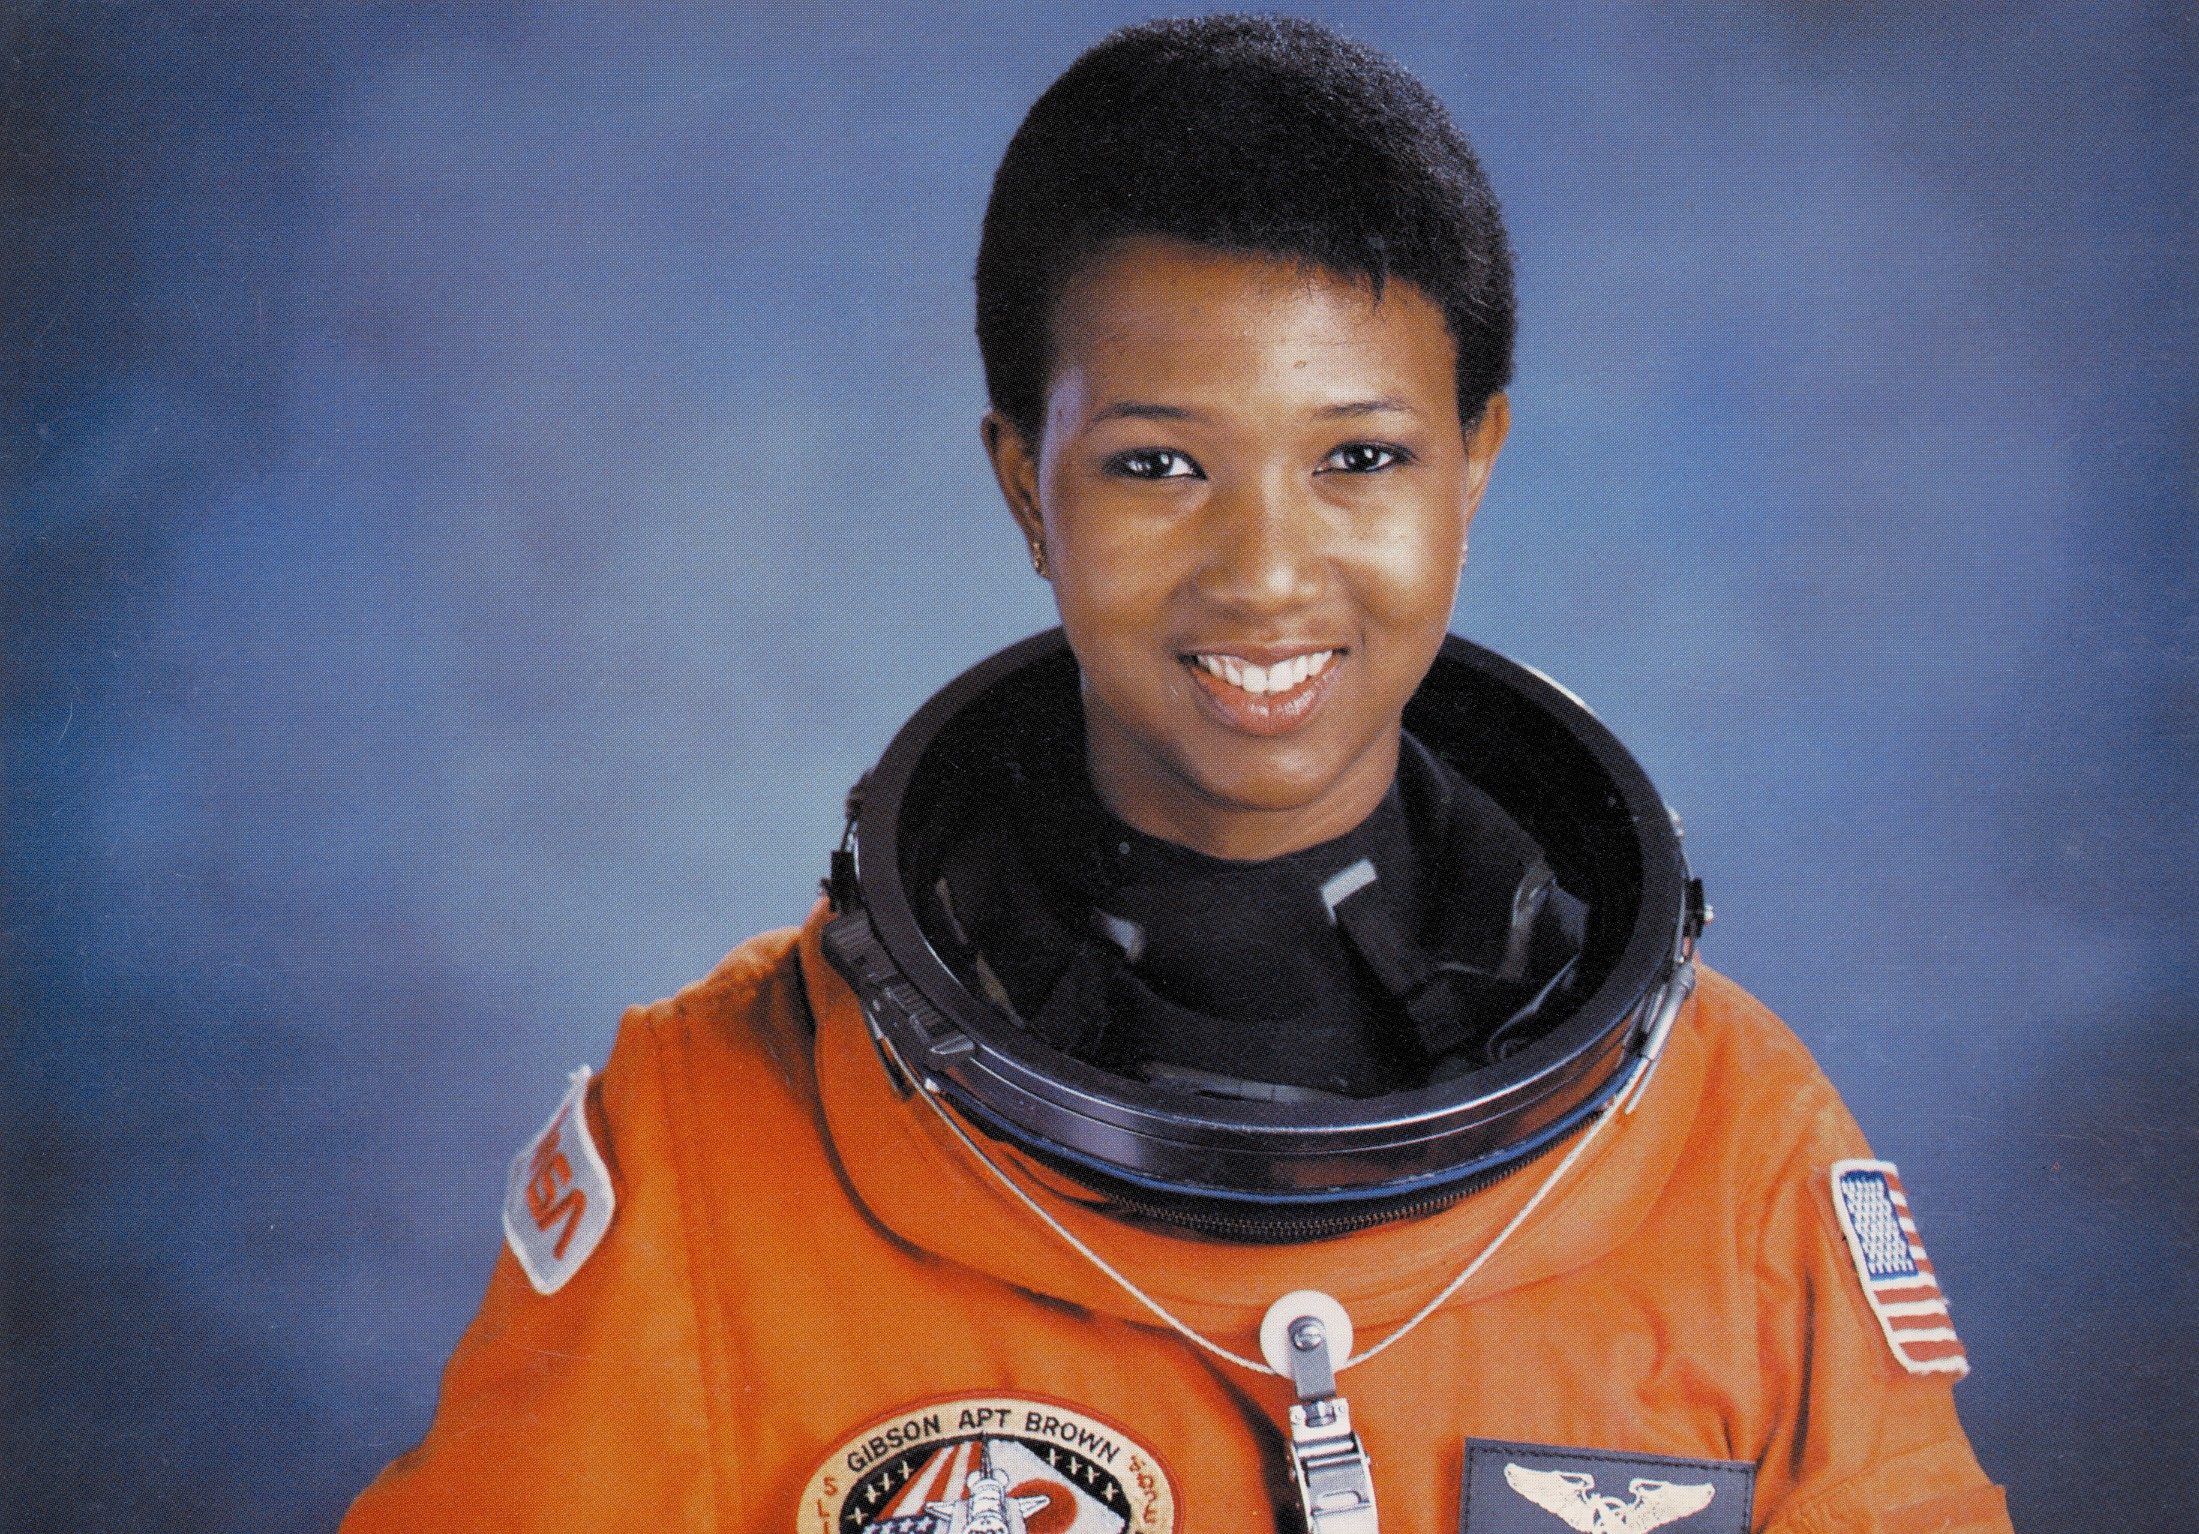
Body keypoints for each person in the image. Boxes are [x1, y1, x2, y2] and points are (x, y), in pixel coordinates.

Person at [343, 17, 2011, 1533]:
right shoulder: (710, 1143)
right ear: (1027, 487)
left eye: (1360, 456)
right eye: (1157, 463)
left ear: (1475, 464)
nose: (1266, 574)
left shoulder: (1734, 1146)